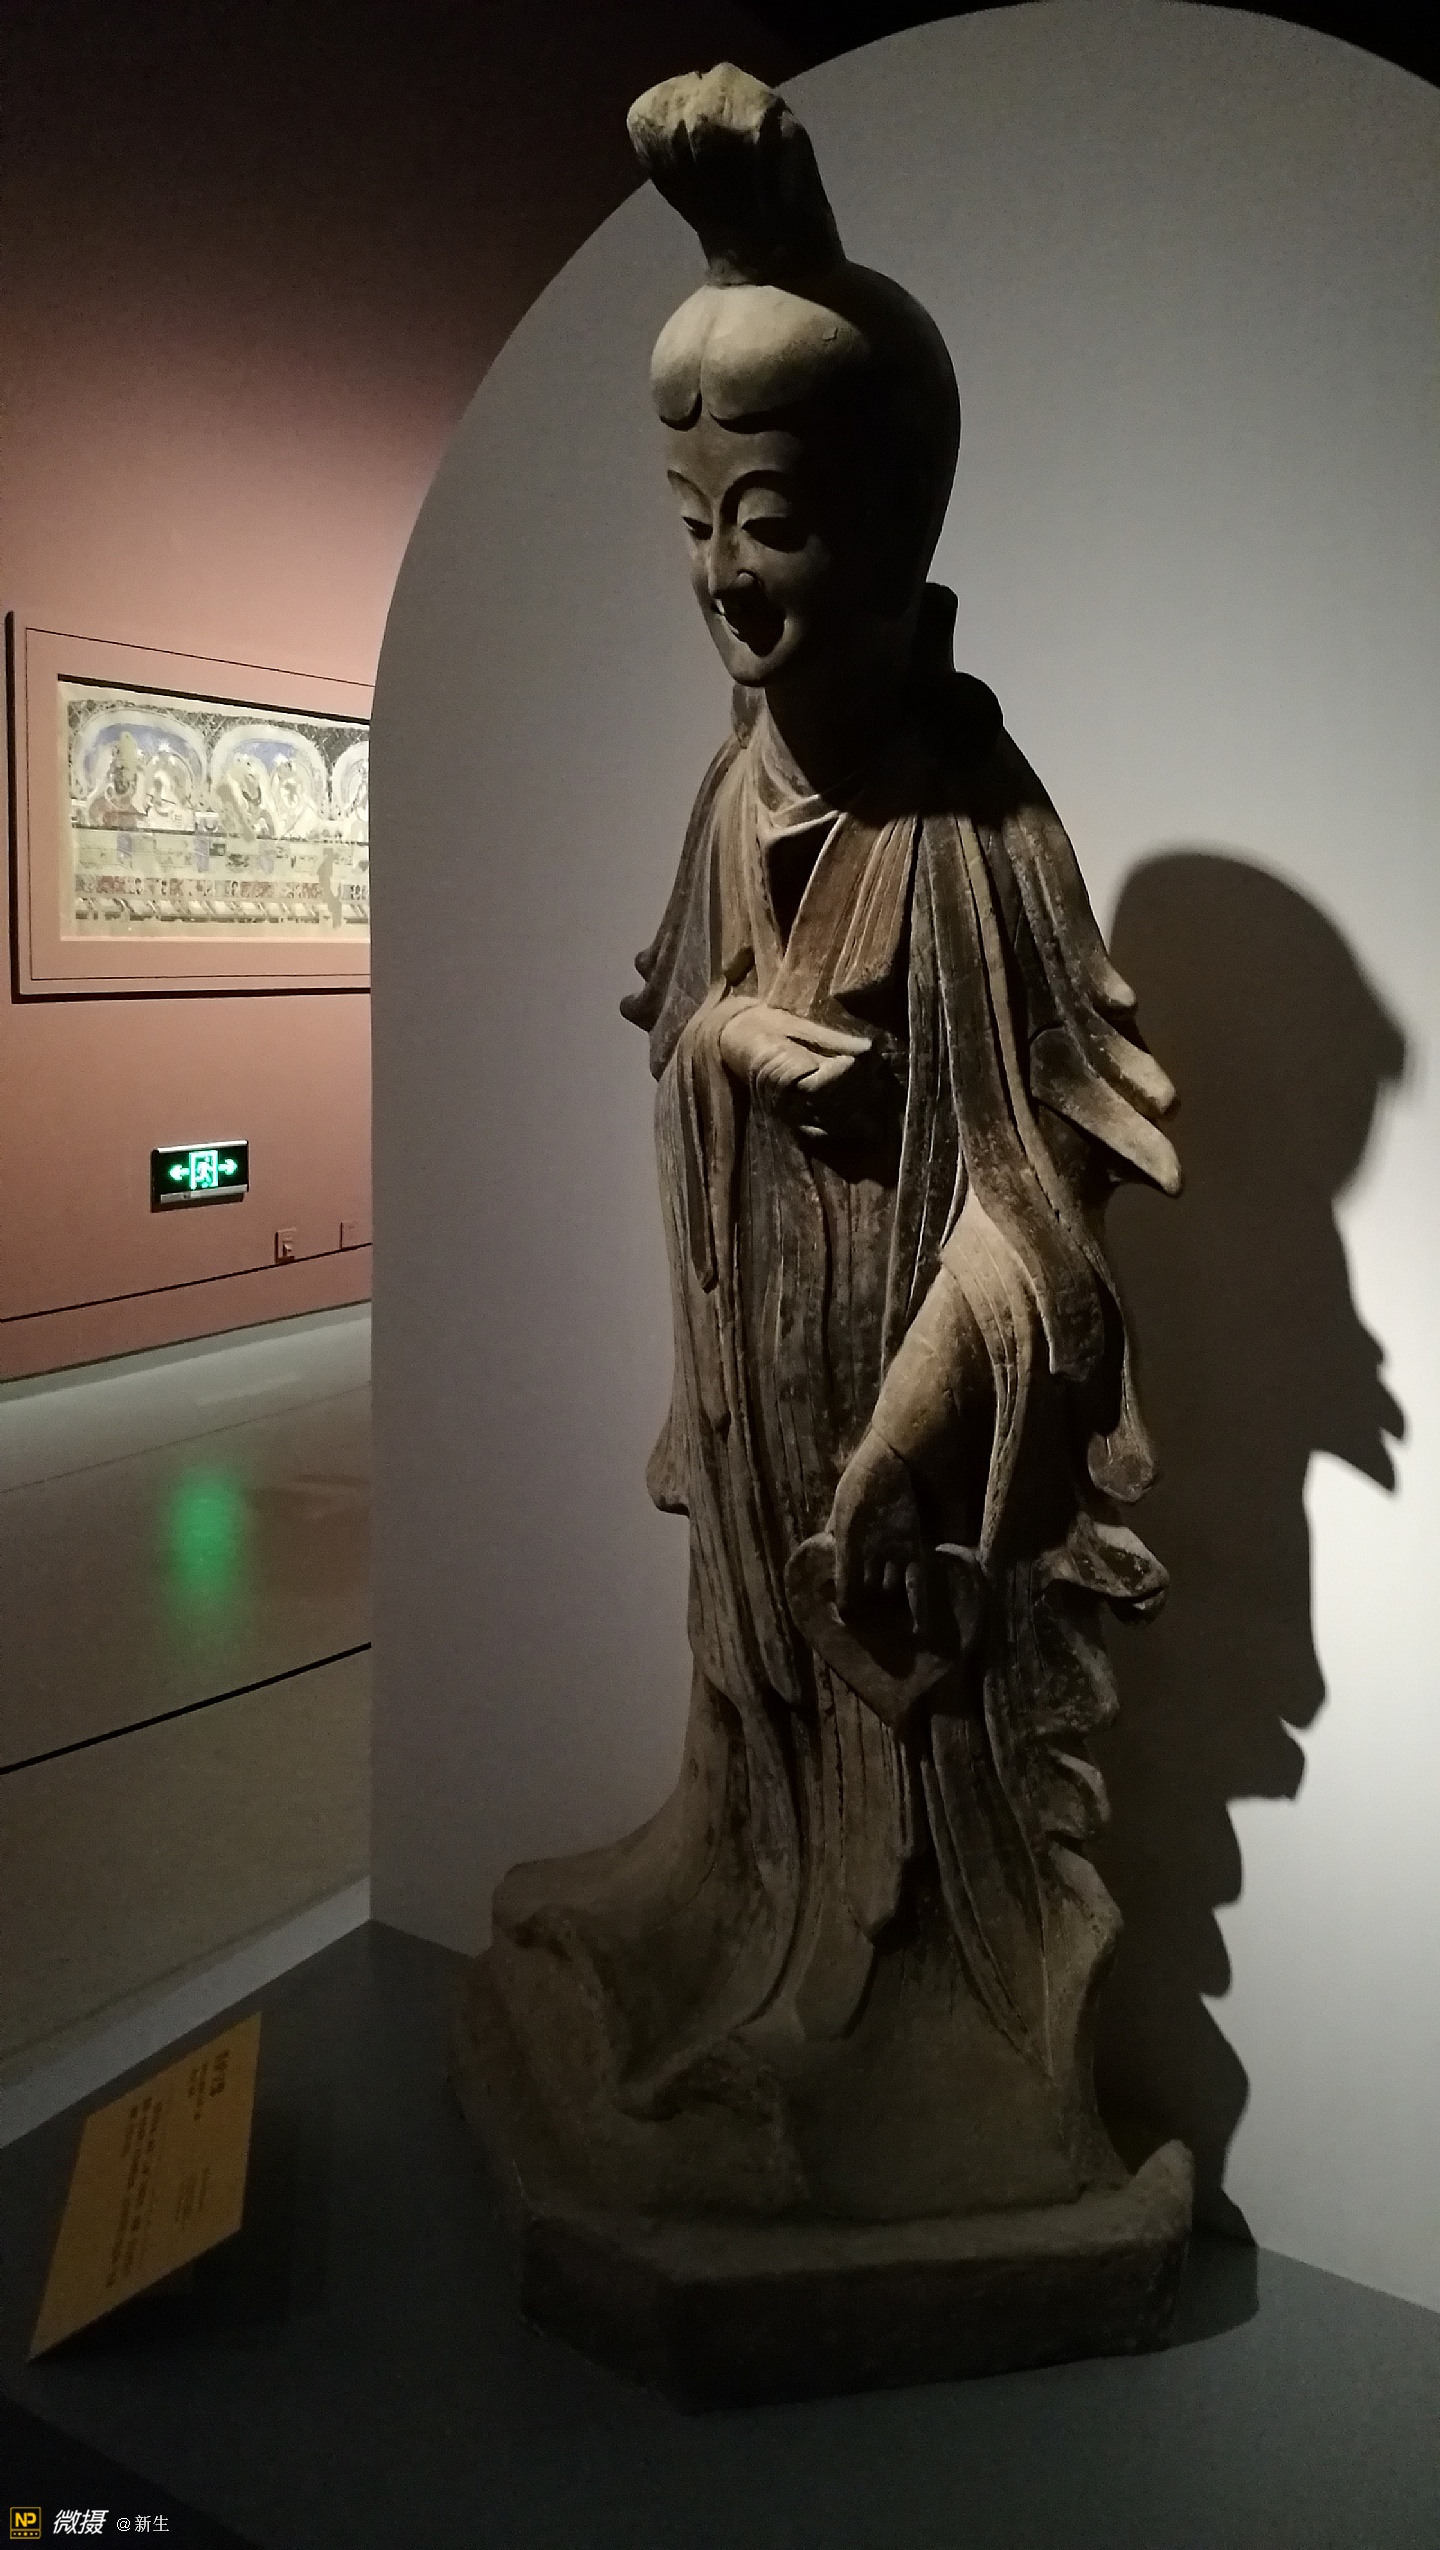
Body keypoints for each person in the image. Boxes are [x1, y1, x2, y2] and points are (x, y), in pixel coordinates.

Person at [482, 65, 1181, 2223]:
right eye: (692, 525)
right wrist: (726, 1045)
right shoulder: (729, 791)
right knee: (751, 1692)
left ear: (885, 529)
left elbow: (1049, 1196)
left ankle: (885, 2019)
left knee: (891, 1714)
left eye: (770, 523)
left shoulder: (979, 836)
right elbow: (671, 1015)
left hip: (896, 1419)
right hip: (755, 1386)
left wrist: (903, 1439)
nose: (725, 580)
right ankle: (732, 1886)